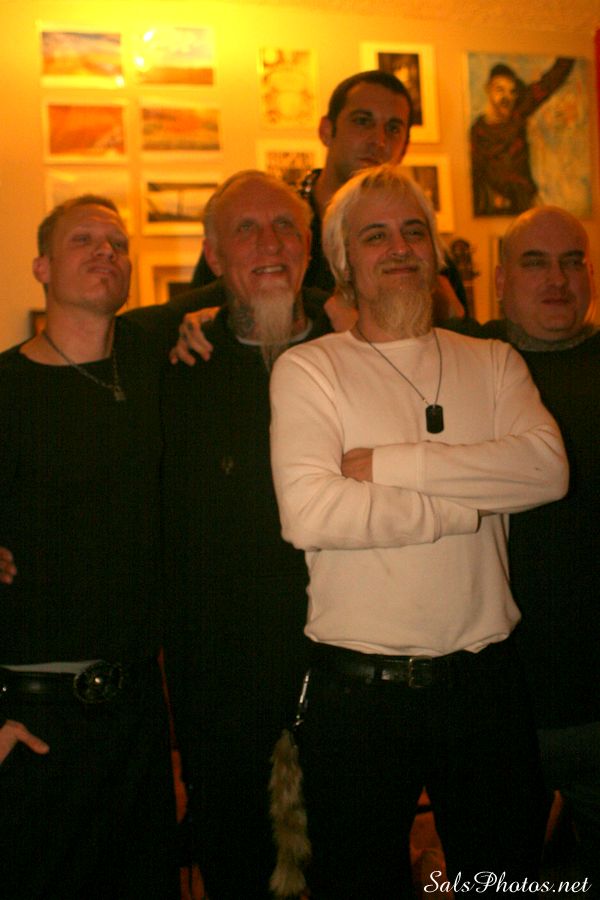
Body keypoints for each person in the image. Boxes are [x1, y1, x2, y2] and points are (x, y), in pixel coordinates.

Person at [268, 165, 569, 898]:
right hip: (356, 696)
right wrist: (467, 507)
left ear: (434, 251)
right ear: (343, 261)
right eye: (375, 236)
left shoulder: (493, 361)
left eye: (413, 231)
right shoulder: (309, 370)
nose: (399, 247)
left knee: (504, 883)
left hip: (486, 687)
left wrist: (394, 465)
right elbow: (312, 513)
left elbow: (545, 471)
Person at [138, 171, 328, 898]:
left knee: (349, 861)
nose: (269, 243)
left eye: (285, 226)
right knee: (234, 865)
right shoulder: (173, 360)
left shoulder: (356, 340)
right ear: (214, 257)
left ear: (310, 245)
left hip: (342, 668)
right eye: (246, 229)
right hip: (218, 681)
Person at [0, 196, 179, 900]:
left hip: (137, 717)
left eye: (117, 241)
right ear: (42, 267)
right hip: (33, 718)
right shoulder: (5, 387)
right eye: (84, 239)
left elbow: (232, 289)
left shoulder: (154, 360)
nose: (106, 250)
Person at [478, 207, 599, 894]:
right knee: (496, 881)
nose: (557, 279)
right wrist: (196, 321)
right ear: (500, 281)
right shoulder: (460, 360)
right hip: (497, 707)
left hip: (599, 703)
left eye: (572, 261)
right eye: (535, 263)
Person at [189, 70, 466, 332]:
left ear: (405, 146)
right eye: (362, 121)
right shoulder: (274, 226)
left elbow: (453, 338)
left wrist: (446, 317)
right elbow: (197, 313)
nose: (379, 140)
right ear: (326, 130)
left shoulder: (420, 250)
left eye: (393, 128)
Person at [470, 58, 574, 216]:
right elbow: (475, 176)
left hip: (526, 203)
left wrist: (567, 59)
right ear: (488, 89)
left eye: (512, 92)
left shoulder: (517, 113)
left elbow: (549, 82)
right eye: (500, 90)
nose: (507, 97)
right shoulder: (478, 132)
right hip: (495, 210)